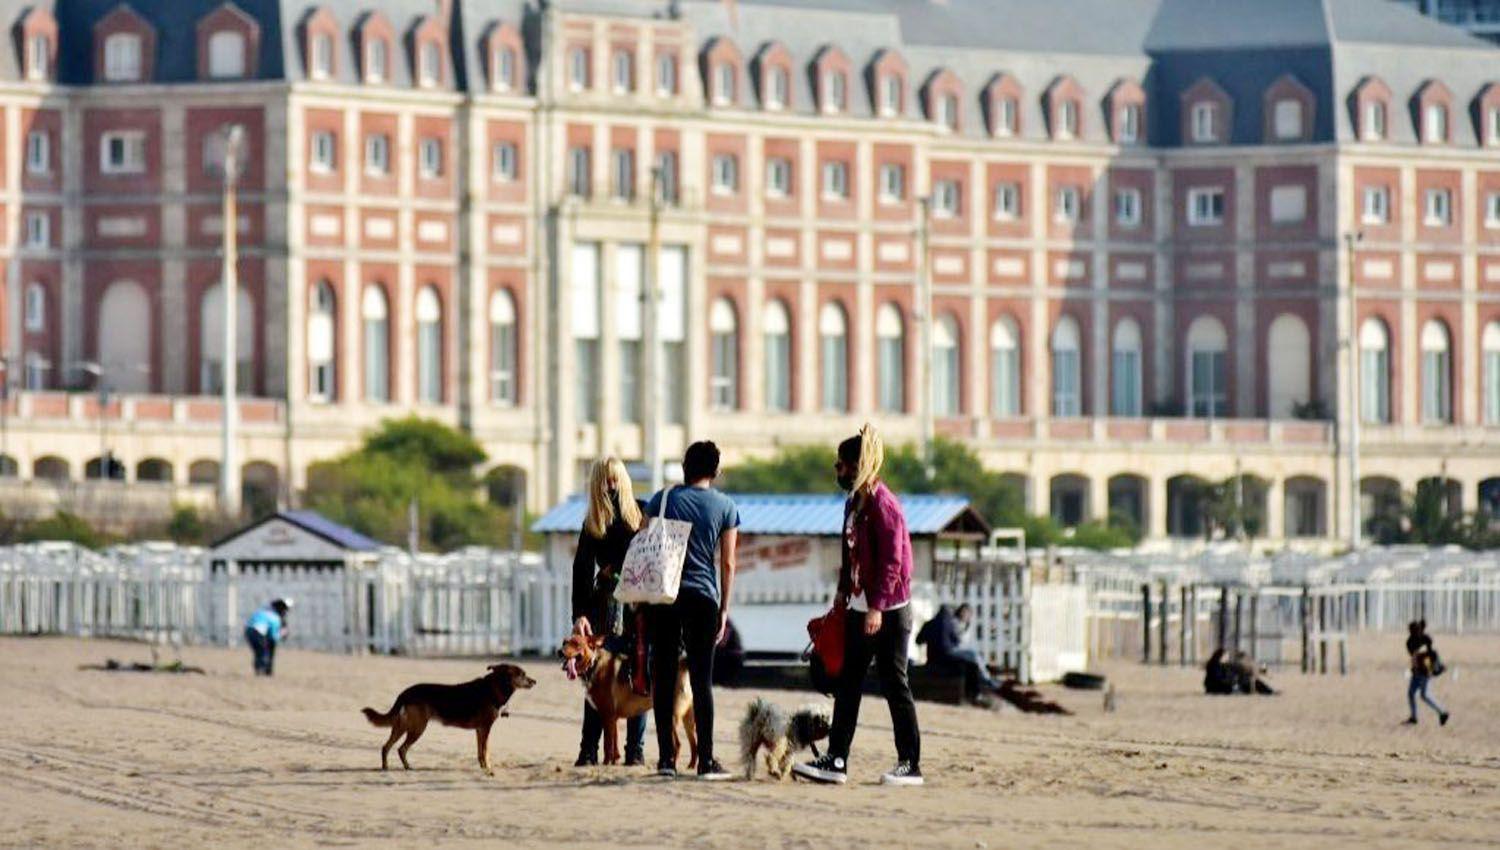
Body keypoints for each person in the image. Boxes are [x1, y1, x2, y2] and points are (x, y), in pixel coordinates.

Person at [794, 424, 923, 786]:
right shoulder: (854, 503)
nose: (838, 471)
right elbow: (849, 554)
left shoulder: (885, 506)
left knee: (895, 684)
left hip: (889, 612)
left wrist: (877, 608)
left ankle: (910, 764)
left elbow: (893, 563)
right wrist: (841, 593)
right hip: (858, 606)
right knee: (848, 683)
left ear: (858, 464)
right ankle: (836, 761)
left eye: (841, 465)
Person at [645, 441, 739, 780]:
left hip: (665, 595)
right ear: (714, 471)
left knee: (665, 677)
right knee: (702, 680)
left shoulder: (662, 498)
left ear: (686, 466)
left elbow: (644, 539)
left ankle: (666, 760)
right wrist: (724, 607)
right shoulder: (725, 506)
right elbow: (727, 562)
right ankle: (707, 761)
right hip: (703, 597)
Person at [570, 457, 649, 766]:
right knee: (598, 681)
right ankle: (588, 749)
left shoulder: (641, 513)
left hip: (638, 608)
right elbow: (581, 570)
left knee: (637, 679)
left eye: (615, 479)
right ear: (596, 484)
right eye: (605, 480)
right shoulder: (593, 522)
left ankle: (635, 750)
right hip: (604, 608)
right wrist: (580, 614)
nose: (611, 486)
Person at [917, 603, 1001, 703]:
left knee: (970, 662)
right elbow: (956, 642)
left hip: (933, 659)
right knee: (971, 665)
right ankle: (975, 694)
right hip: (946, 657)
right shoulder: (948, 623)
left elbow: (918, 641)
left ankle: (976, 692)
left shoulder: (929, 624)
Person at [1404, 620, 1450, 726]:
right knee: (1412, 694)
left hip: (1424, 670)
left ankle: (1443, 712)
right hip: (1419, 670)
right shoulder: (1412, 641)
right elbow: (1416, 656)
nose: (1411, 632)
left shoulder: (1424, 639)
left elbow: (1431, 655)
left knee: (1424, 695)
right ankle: (1414, 717)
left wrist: (1436, 667)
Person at [244, 598, 291, 676]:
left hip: (248, 631)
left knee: (258, 652)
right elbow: (273, 637)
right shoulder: (275, 618)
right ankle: (262, 671)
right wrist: (282, 634)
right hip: (258, 632)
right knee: (263, 652)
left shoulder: (262, 611)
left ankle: (259, 670)